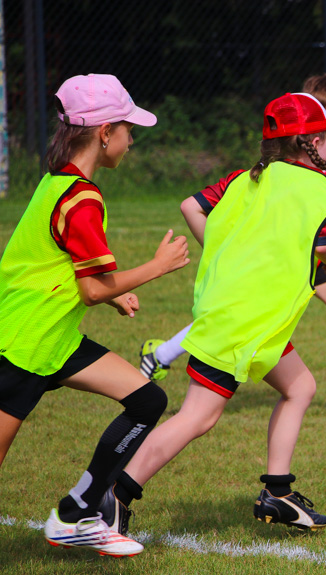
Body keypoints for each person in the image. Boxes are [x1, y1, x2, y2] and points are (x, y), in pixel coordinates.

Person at [99, 92, 326, 541]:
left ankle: (278, 492)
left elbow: (190, 206)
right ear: (312, 142)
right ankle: (115, 495)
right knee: (198, 416)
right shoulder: (318, 189)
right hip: (244, 321)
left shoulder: (243, 179)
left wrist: (218, 251)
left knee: (301, 386)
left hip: (245, 314)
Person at [0, 74, 189, 557]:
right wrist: (155, 268)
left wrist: (113, 295)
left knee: (146, 401)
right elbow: (88, 288)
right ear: (105, 132)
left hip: (53, 339)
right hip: (22, 346)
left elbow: (64, 270)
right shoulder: (82, 197)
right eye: (128, 129)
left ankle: (77, 511)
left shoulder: (59, 179)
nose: (131, 140)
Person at [138, 74, 326, 410]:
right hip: (289, 256)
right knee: (237, 317)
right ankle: (160, 354)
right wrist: (222, 250)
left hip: (305, 254)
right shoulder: (280, 166)